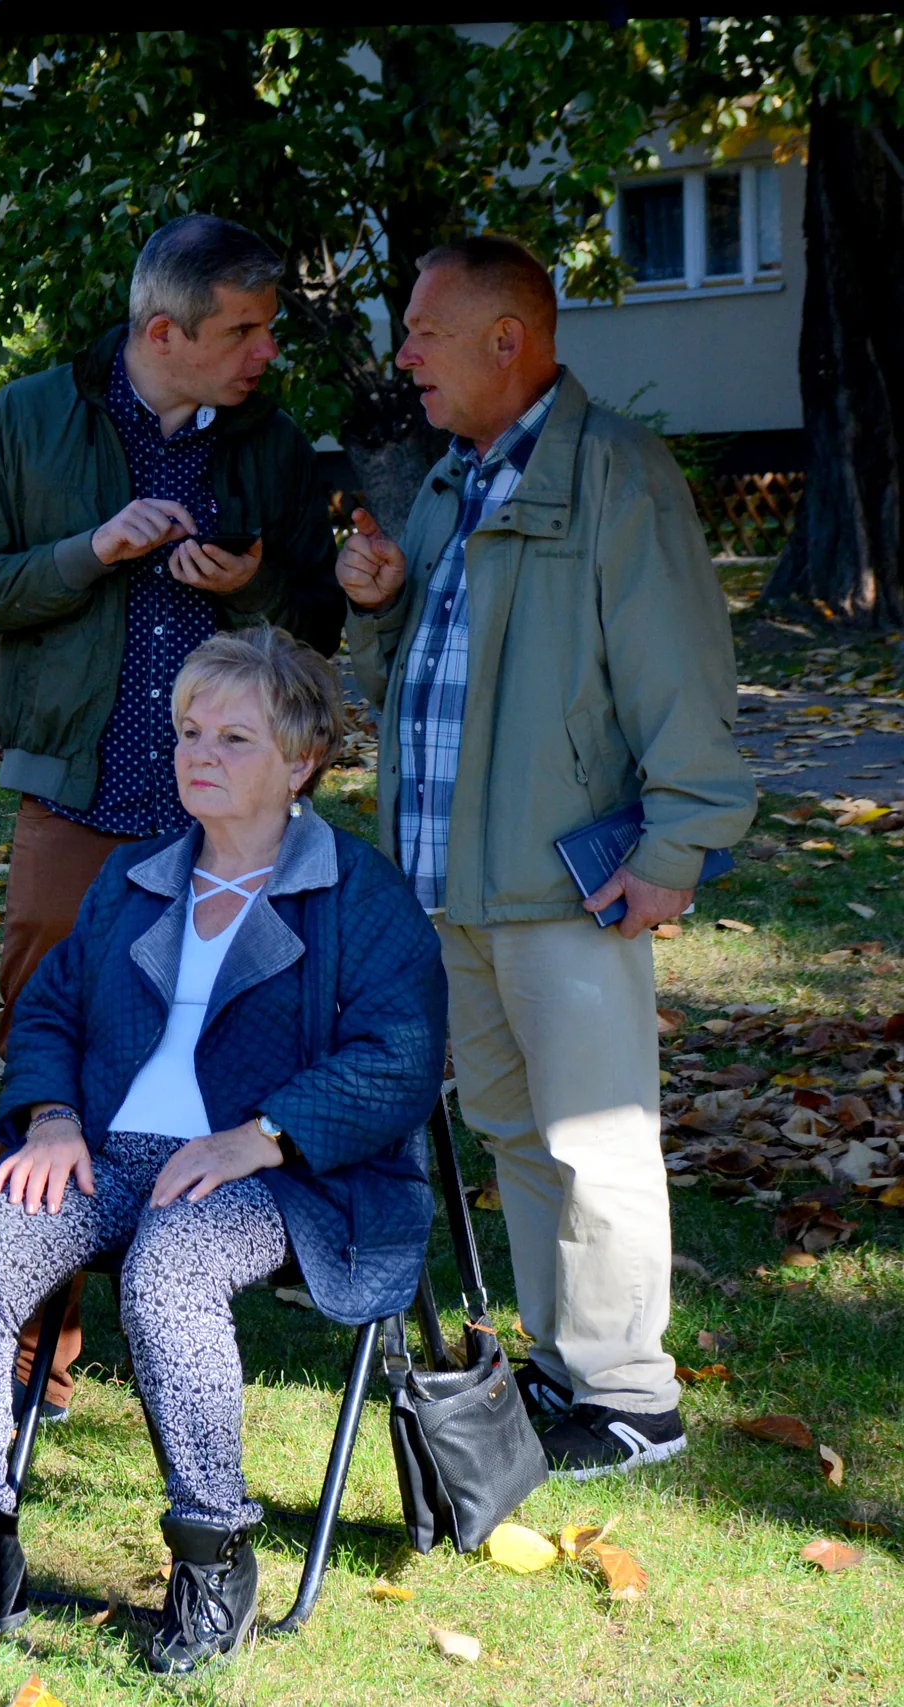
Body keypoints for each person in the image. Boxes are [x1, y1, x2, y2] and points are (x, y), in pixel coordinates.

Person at [0, 630, 444, 1672]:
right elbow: (49, 1009)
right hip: (109, 1147)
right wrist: (52, 1116)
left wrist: (261, 1136)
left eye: (234, 737)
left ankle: (212, 1555)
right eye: (189, 731)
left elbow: (401, 1058)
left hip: (285, 1168)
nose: (200, 754)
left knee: (170, 1264)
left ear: (301, 761)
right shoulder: (137, 875)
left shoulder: (359, 893)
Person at [337, 236, 754, 1480]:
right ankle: (567, 1361)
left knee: (593, 1139)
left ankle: (631, 1399)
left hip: (566, 883)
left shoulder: (614, 470)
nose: (403, 355)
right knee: (518, 1135)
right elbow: (405, 684)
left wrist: (679, 843)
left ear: (505, 340)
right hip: (453, 880)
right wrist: (377, 604)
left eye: (424, 332)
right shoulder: (450, 480)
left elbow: (681, 673)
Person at [0, 213, 338, 1425]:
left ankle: (190, 1292)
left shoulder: (271, 441)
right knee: (48, 1048)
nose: (265, 351)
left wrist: (254, 586)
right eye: (244, 330)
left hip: (237, 823)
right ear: (164, 332)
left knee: (232, 1048)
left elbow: (319, 614)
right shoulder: (32, 417)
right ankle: (33, 1344)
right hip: (79, 795)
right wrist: (86, 552)